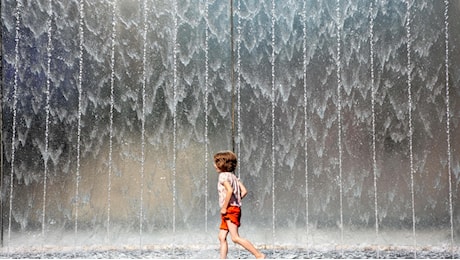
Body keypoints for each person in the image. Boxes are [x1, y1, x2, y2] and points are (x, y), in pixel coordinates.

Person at [213, 150, 265, 259]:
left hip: (229, 209)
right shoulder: (233, 177)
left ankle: (259, 255)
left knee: (235, 238)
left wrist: (224, 206)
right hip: (234, 208)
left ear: (221, 164)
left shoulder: (222, 176)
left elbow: (230, 190)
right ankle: (223, 258)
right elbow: (244, 191)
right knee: (221, 237)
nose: (214, 165)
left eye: (215, 162)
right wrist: (235, 201)